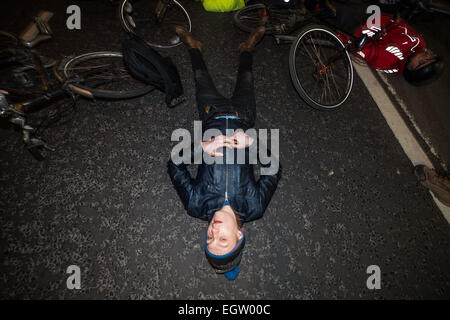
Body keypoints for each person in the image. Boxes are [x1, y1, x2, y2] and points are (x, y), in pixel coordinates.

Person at [167, 26, 281, 280]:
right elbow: (273, 168)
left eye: (209, 238)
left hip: (212, 113)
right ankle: (247, 48)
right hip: (243, 116)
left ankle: (194, 46)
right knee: (246, 76)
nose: (214, 231)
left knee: (200, 76)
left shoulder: (196, 203)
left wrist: (201, 149)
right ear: (240, 235)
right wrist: (251, 143)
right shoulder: (254, 206)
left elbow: (175, 165)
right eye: (223, 239)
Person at [305, 0, 444, 85]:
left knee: (329, 12)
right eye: (431, 55)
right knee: (335, 13)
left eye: (425, 60)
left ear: (413, 67)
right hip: (377, 15)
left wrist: (354, 42)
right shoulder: (418, 44)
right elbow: (398, 28)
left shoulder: (393, 62)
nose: (427, 53)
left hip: (362, 28)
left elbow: (369, 53)